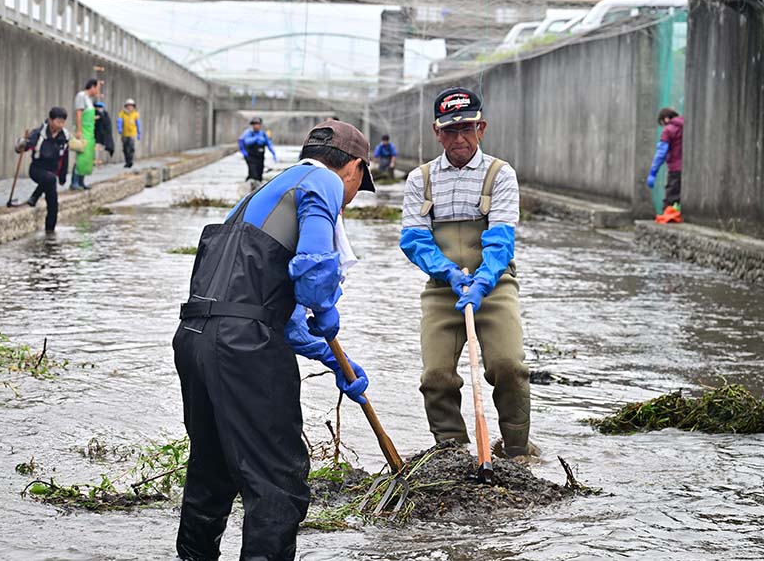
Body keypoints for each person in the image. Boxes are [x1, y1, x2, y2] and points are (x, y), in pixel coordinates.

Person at [173, 120, 376, 561]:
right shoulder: (323, 180)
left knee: (211, 472)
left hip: (195, 338)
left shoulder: (263, 194)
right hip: (244, 348)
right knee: (278, 482)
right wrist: (323, 307)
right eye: (362, 183)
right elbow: (315, 266)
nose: (356, 195)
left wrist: (335, 359)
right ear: (354, 168)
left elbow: (265, 311)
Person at [400, 87, 536, 459]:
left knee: (508, 367)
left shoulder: (500, 174)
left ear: (482, 128)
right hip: (443, 288)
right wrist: (447, 272)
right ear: (436, 132)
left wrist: (482, 281)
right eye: (450, 131)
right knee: (436, 376)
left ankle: (516, 450)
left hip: (494, 286)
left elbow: (501, 238)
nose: (459, 138)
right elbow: (413, 239)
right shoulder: (420, 179)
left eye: (467, 129)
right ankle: (452, 451)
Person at [15, 107, 69, 232]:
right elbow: (27, 145)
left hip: (52, 173)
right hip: (37, 169)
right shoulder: (39, 133)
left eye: (63, 122)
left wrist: (63, 176)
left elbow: (65, 157)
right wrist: (21, 145)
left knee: (53, 205)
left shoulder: (64, 136)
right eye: (58, 121)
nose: (60, 125)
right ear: (50, 120)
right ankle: (35, 196)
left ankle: (50, 233)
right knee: (50, 179)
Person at [646, 107, 684, 213]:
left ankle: (668, 220)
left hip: (675, 169)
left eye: (662, 123)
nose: (663, 126)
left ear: (666, 119)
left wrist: (653, 172)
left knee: (670, 198)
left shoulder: (668, 130)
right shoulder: (686, 126)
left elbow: (661, 153)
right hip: (689, 168)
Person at [71, 78, 100, 190]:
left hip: (90, 131)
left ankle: (81, 181)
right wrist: (79, 131)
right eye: (97, 88)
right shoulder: (81, 96)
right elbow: (79, 114)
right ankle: (74, 182)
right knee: (81, 157)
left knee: (87, 157)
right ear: (92, 86)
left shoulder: (89, 99)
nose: (97, 91)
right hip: (83, 131)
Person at [237, 116, 278, 185]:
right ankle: (250, 189)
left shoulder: (263, 134)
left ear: (260, 125)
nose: (256, 126)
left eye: (257, 124)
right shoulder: (249, 133)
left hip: (260, 157)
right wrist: (255, 139)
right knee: (253, 175)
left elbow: (269, 144)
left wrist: (273, 154)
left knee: (259, 175)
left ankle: (257, 189)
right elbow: (246, 142)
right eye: (254, 124)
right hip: (251, 157)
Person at [117, 98, 140, 168]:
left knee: (131, 148)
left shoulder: (135, 114)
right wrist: (119, 128)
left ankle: (130, 161)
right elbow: (119, 121)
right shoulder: (122, 113)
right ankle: (127, 161)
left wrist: (139, 132)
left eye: (131, 105)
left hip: (132, 134)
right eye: (128, 105)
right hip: (124, 134)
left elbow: (138, 123)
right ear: (126, 106)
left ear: (133, 106)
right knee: (125, 148)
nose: (130, 107)